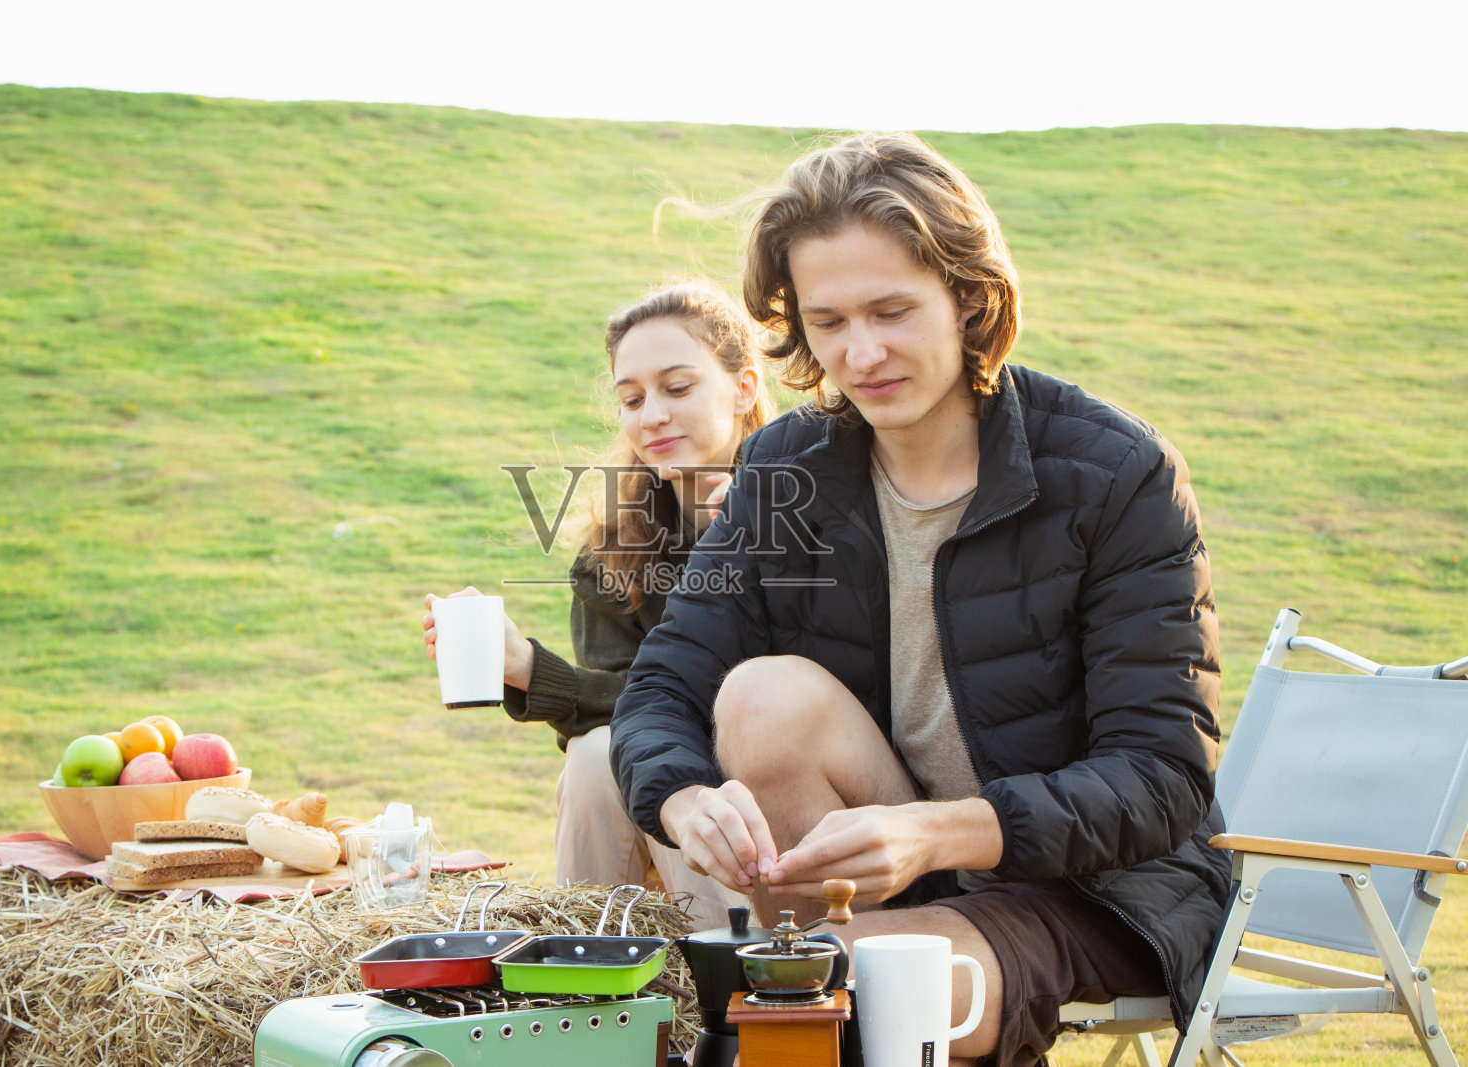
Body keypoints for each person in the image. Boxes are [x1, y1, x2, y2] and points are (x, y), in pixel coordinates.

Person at [610, 134, 1231, 1067]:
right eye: (827, 322)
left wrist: (938, 830)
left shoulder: (1116, 474)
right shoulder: (785, 469)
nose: (862, 353)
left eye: (893, 310)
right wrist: (682, 794)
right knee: (760, 698)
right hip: (877, 870)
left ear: (970, 296)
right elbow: (662, 686)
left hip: (1091, 888)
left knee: (808, 1013)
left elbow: (1163, 777)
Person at [423, 281, 774, 930]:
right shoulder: (617, 547)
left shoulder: (809, 505)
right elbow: (640, 704)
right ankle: (582, 970)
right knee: (595, 754)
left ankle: (741, 974)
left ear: (745, 388)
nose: (652, 416)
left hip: (789, 777)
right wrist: (525, 666)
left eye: (677, 387)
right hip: (679, 782)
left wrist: (744, 551)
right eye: (631, 398)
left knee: (651, 755)